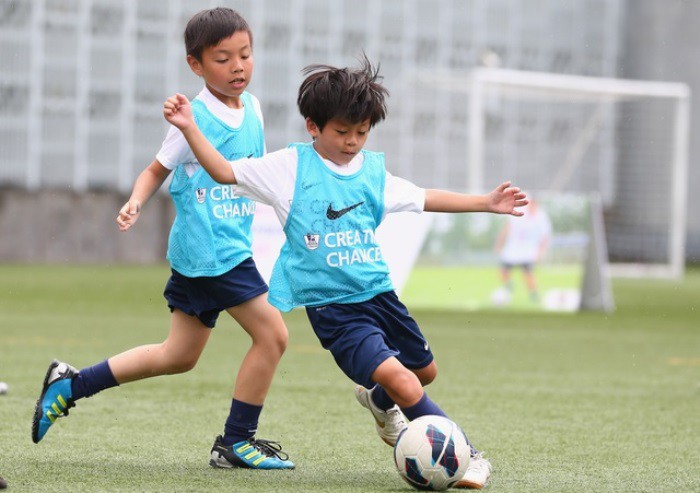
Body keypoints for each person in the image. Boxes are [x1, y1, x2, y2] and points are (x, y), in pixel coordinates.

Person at [162, 55, 528, 489]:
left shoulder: (371, 171)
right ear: (313, 126)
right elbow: (223, 172)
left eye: (361, 131)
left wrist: (485, 203)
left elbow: (423, 197)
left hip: (380, 295)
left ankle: (378, 402)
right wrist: (189, 126)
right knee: (403, 381)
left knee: (423, 372)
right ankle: (464, 456)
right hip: (335, 308)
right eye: (341, 132)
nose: (353, 141)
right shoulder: (289, 168)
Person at [32, 7, 294, 470]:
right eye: (222, 59)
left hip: (210, 253)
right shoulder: (193, 118)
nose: (238, 67)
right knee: (272, 336)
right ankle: (236, 442)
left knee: (178, 356)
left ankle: (70, 384)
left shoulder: (251, 108)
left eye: (245, 55)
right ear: (195, 65)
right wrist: (136, 200)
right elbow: (156, 170)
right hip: (214, 252)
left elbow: (249, 174)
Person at [494, 197, 551, 304]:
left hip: (528, 251)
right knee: (503, 271)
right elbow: (506, 229)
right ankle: (509, 287)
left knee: (528, 273)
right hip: (512, 249)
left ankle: (534, 295)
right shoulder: (519, 213)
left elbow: (544, 236)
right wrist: (499, 244)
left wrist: (541, 252)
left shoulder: (541, 216)